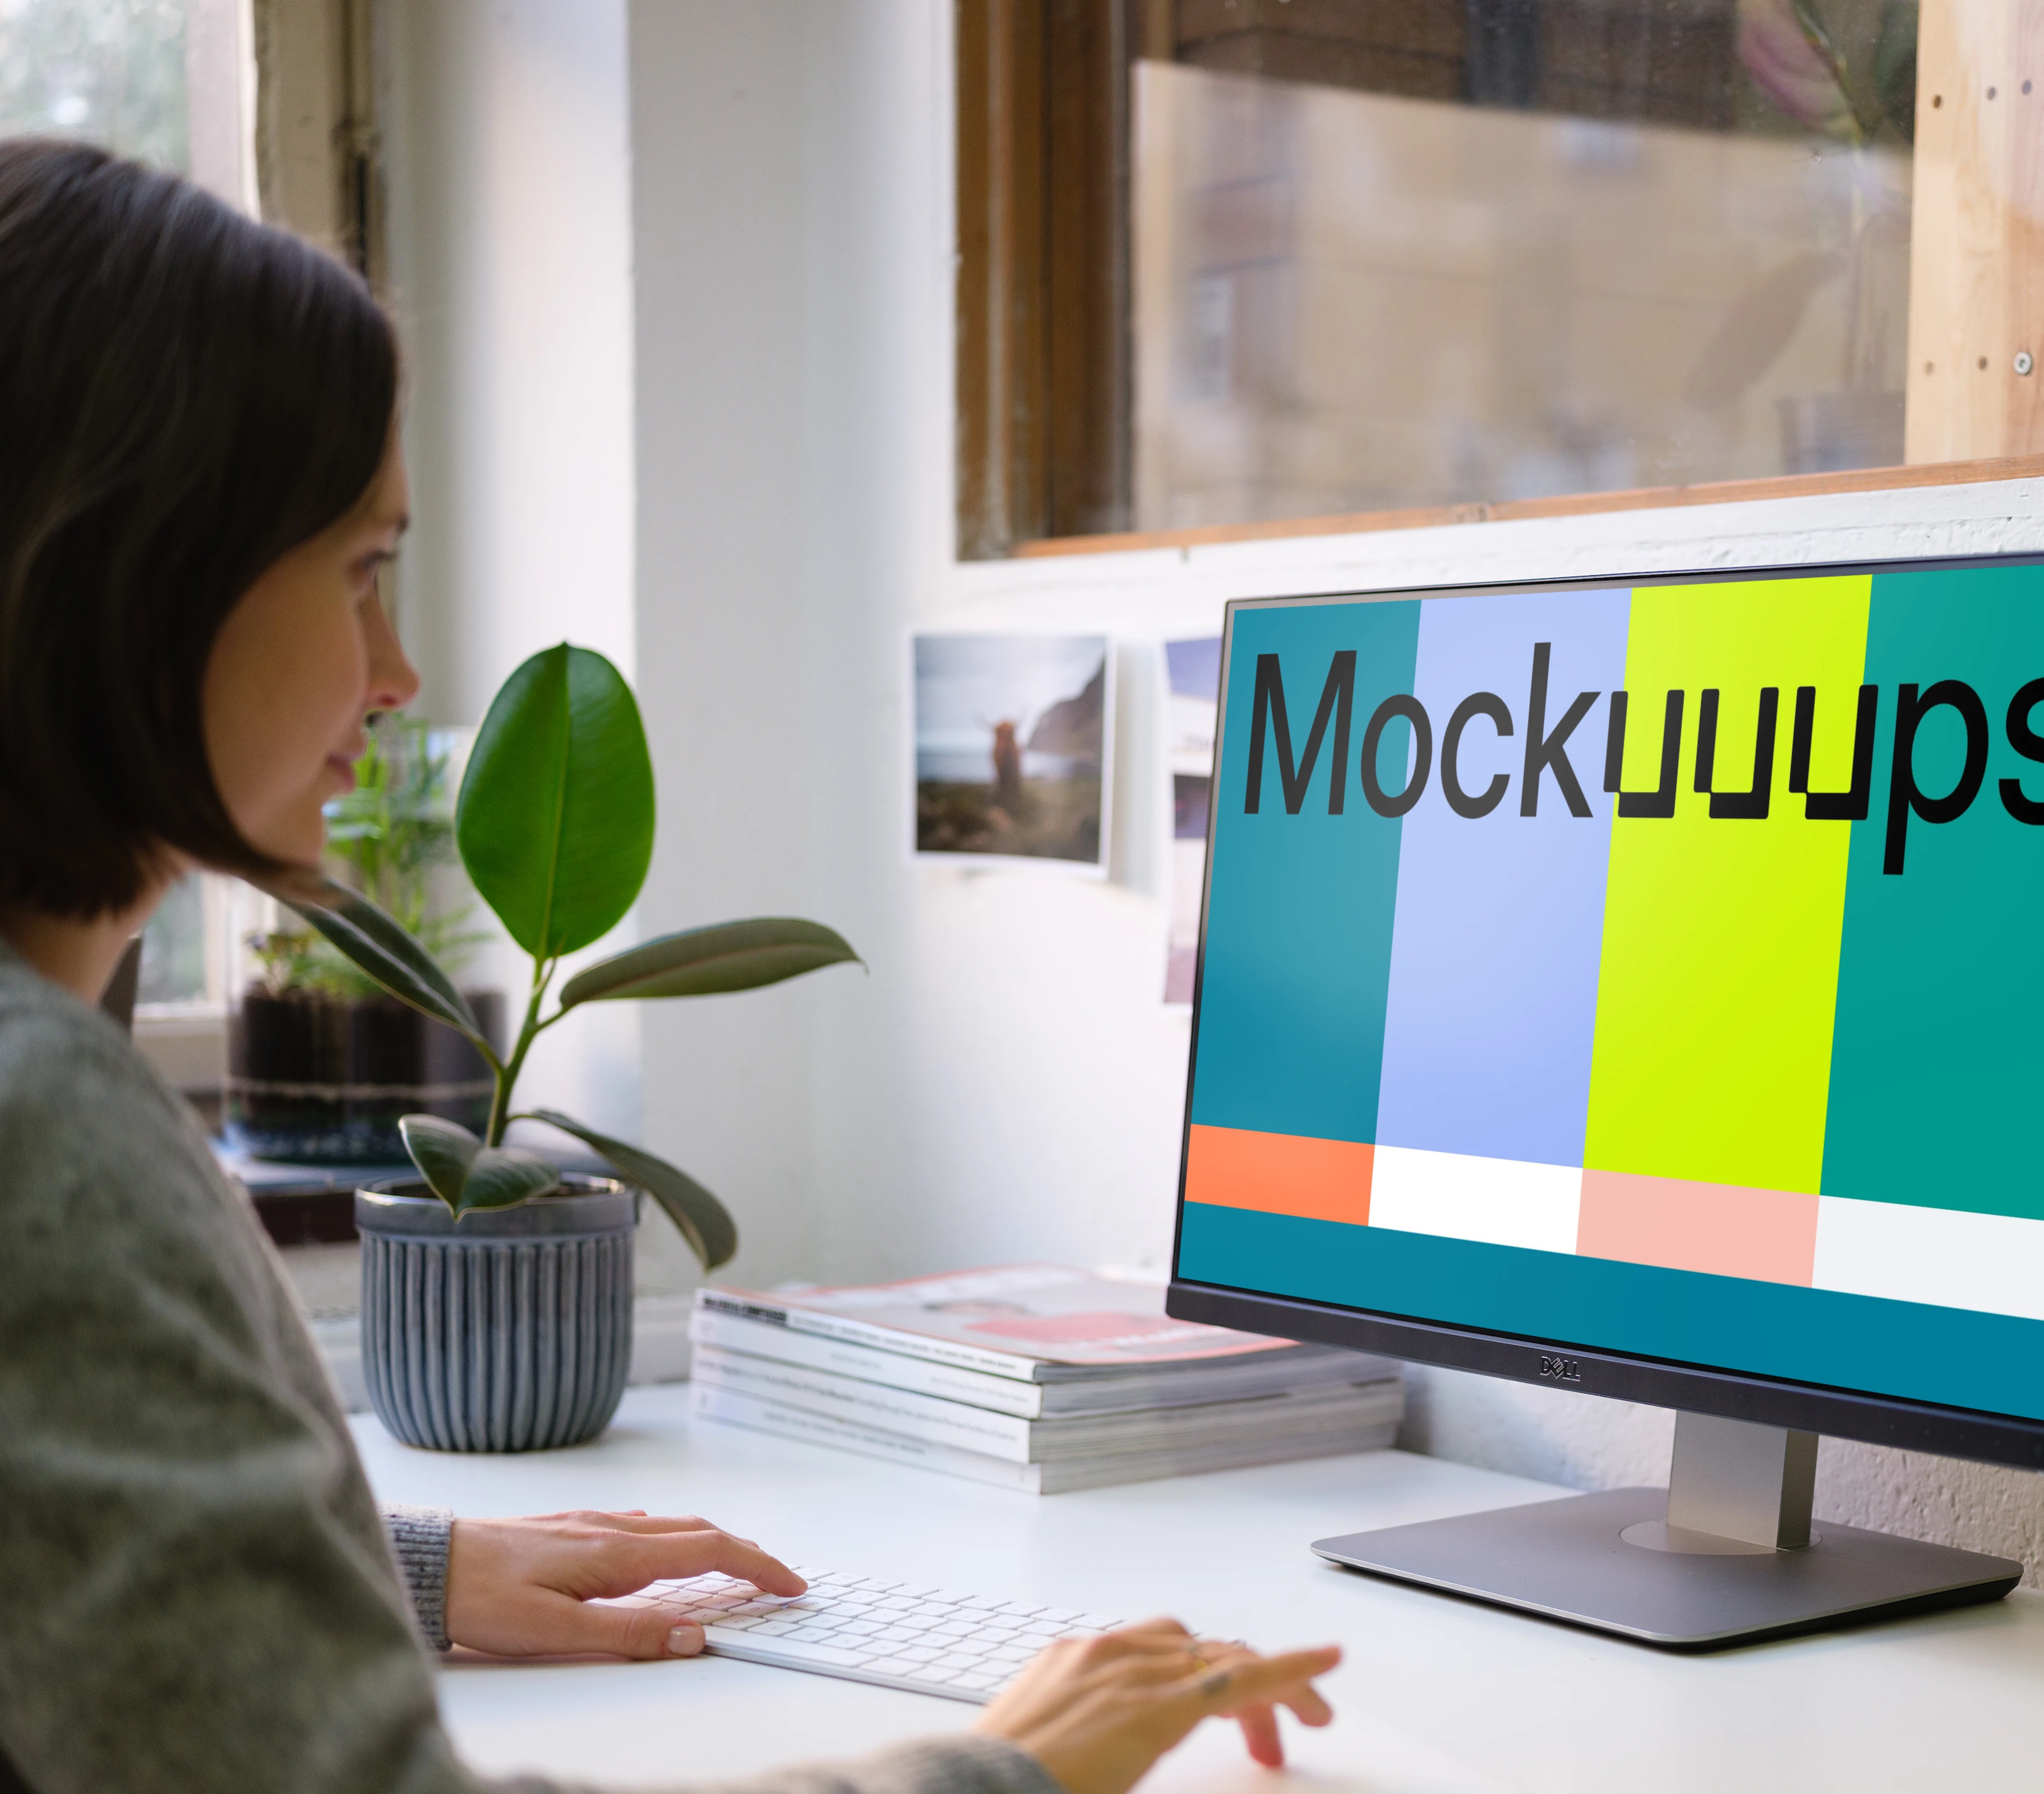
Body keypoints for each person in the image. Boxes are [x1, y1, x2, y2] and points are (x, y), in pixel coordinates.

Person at [0, 139, 1339, 1794]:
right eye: (361, 571)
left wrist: (398, 1573)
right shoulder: (34, 1123)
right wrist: (1006, 1773)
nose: (399, 673)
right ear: (147, 573)